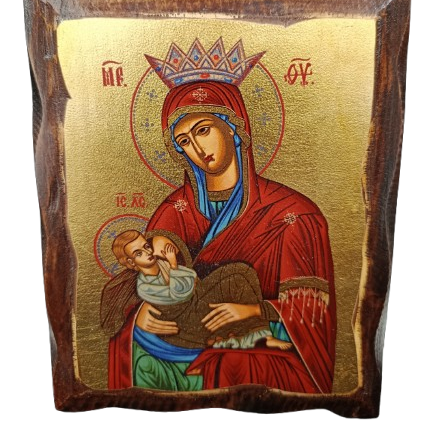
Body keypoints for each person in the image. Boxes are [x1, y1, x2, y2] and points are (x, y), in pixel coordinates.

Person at [105, 79, 336, 393]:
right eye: (184, 141)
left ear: (233, 128)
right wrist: (140, 313)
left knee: (236, 363)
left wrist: (255, 311)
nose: (198, 150)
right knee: (140, 351)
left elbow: (313, 313)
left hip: (263, 337)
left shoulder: (294, 214)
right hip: (182, 337)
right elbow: (140, 280)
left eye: (203, 130)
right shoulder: (175, 211)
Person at [103, 229, 291, 352]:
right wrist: (174, 265)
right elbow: (181, 293)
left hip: (195, 304)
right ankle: (252, 337)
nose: (148, 253)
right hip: (187, 324)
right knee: (237, 281)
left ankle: (263, 334)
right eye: (139, 253)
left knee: (241, 271)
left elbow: (191, 277)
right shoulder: (145, 287)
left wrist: (177, 271)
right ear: (131, 263)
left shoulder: (161, 265)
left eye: (146, 246)